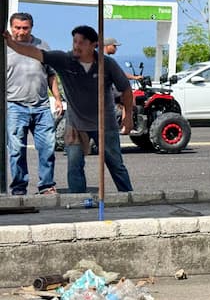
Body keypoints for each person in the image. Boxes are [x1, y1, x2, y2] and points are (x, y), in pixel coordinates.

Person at [3, 25, 134, 194]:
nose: (76, 46)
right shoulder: (64, 60)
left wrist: (128, 115)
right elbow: (34, 53)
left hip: (105, 124)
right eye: (75, 41)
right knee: (74, 166)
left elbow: (126, 89)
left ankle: (129, 197)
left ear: (94, 44)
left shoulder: (107, 64)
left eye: (82, 42)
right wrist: (12, 44)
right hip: (76, 124)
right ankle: (78, 200)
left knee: (115, 164)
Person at [5, 12, 63, 195]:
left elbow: (51, 74)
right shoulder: (5, 47)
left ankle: (46, 186)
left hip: (41, 106)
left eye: (25, 28)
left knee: (47, 148)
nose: (21, 32)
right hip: (14, 105)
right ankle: (19, 188)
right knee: (16, 150)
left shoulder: (42, 46)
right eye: (17, 28)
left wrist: (58, 98)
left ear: (31, 27)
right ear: (11, 27)